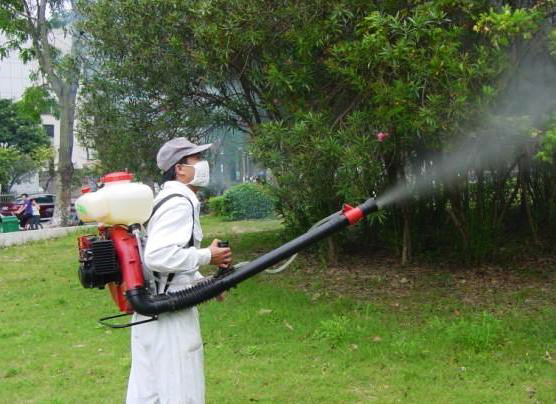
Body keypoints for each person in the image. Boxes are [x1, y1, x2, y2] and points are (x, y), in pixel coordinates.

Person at [126, 137, 232, 404]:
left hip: (151, 312)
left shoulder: (165, 199)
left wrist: (206, 283)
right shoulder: (179, 203)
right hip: (170, 317)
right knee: (182, 393)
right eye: (197, 159)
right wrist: (208, 255)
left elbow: (173, 265)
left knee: (147, 395)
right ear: (180, 169)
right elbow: (158, 256)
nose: (203, 164)